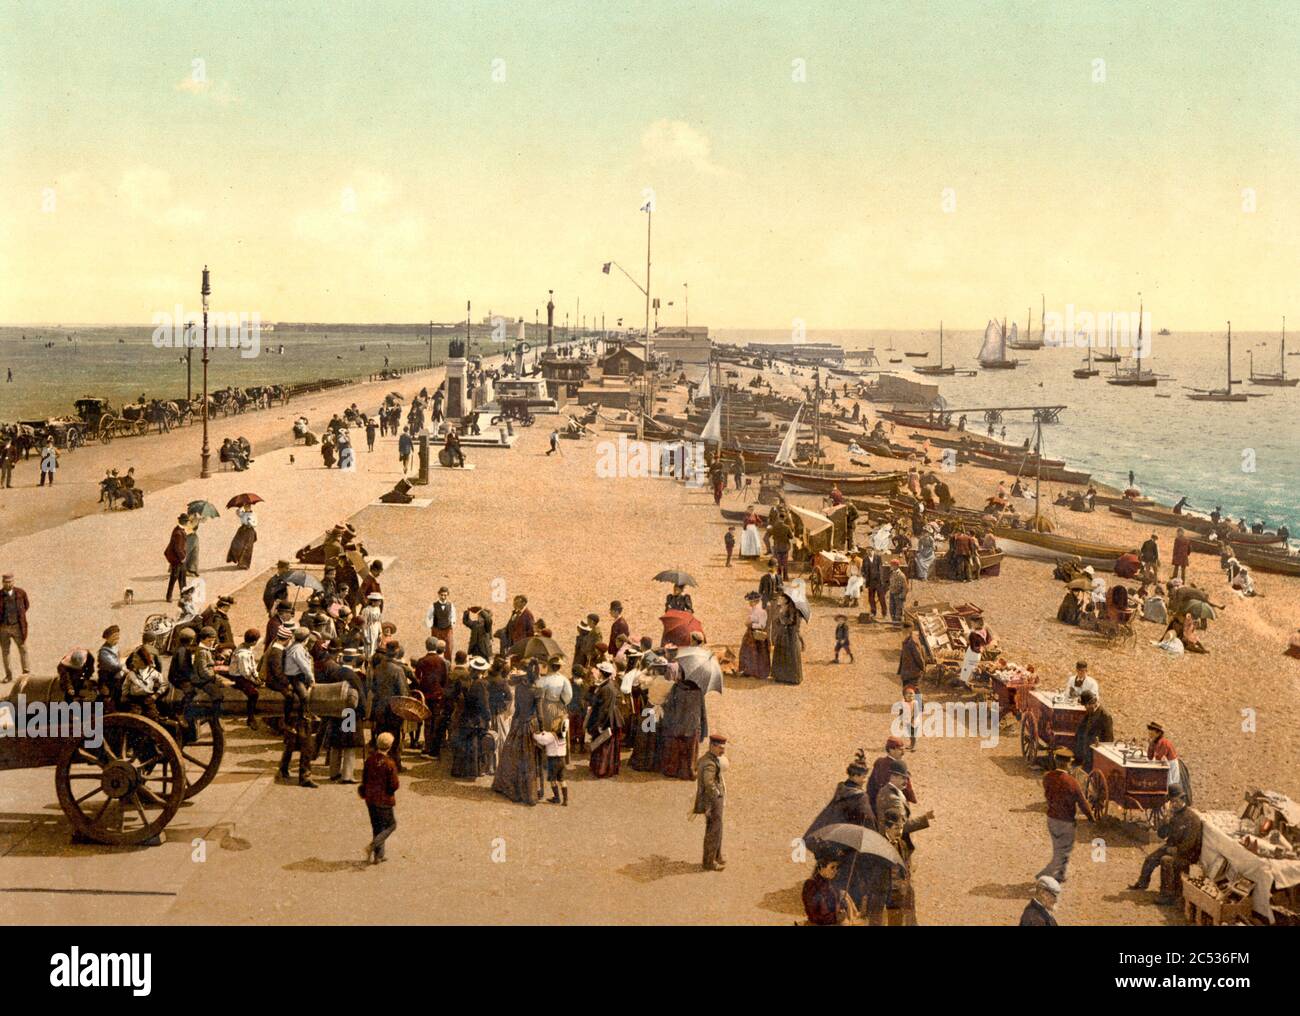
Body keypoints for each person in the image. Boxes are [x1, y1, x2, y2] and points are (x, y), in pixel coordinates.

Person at [1128, 788, 1202, 904]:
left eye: (1176, 801)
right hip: (1171, 847)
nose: (1174, 804)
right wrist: (1165, 822)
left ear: (1183, 800)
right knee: (1150, 859)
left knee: (1166, 860)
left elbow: (1190, 843)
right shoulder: (1174, 815)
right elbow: (1161, 835)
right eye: (1172, 802)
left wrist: (1176, 849)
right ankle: (1142, 883)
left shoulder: (1192, 818)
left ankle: (1167, 895)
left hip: (1186, 854)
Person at [1038, 752, 1096, 885]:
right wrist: (1091, 818)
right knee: (1064, 849)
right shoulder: (1072, 782)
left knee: (1059, 847)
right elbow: (1082, 803)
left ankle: (1061, 874)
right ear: (1069, 763)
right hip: (1066, 821)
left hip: (1051, 818)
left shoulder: (1047, 778)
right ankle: (1047, 875)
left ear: (1056, 761)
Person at [362, 732, 400, 864]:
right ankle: (373, 845)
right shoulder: (390, 763)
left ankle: (379, 856)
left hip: (370, 798)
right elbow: (394, 784)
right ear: (389, 746)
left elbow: (364, 778)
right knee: (391, 825)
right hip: (384, 799)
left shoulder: (370, 760)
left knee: (377, 826)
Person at [693, 734, 727, 871]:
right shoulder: (709, 763)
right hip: (712, 802)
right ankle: (709, 862)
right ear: (712, 746)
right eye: (720, 748)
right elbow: (708, 783)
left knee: (717, 828)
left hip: (712, 801)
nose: (723, 751)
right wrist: (717, 794)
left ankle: (717, 856)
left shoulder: (707, 759)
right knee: (713, 830)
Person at [802, 853, 858, 926]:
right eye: (832, 867)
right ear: (821, 867)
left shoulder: (830, 886)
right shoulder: (811, 885)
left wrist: (840, 905)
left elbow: (833, 909)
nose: (835, 871)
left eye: (836, 868)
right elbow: (814, 916)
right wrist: (835, 917)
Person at [1072, 690, 1112, 773]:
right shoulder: (1090, 712)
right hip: (1086, 753)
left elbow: (1109, 739)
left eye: (1086, 706)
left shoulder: (1105, 716)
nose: (1085, 708)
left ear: (1090, 704)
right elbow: (1081, 729)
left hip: (1096, 753)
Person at [0, 573, 31, 681]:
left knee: (23, 649)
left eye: (10, 582)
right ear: (2, 582)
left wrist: (19, 618)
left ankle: (26, 673)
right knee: (5, 651)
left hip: (17, 626)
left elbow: (26, 605)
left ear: (13, 582)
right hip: (3, 628)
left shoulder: (20, 593)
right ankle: (9, 676)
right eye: (6, 582)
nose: (8, 584)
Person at [533, 715, 570, 804]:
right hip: (562, 760)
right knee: (562, 780)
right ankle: (565, 799)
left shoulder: (551, 736)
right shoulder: (563, 737)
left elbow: (542, 740)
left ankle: (557, 798)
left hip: (553, 761)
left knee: (553, 780)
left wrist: (534, 734)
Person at [769, 591, 804, 685]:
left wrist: (781, 617)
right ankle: (780, 676)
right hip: (782, 634)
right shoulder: (781, 608)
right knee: (781, 654)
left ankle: (791, 678)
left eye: (781, 598)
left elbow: (790, 621)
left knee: (789, 654)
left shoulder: (792, 609)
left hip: (790, 635)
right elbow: (777, 622)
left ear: (786, 600)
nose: (779, 599)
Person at [738, 592, 770, 679]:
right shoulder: (752, 610)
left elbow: (762, 625)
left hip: (757, 635)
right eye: (750, 602)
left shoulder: (762, 612)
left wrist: (752, 624)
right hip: (750, 633)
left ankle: (757, 673)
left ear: (756, 601)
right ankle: (747, 671)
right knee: (746, 651)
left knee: (757, 653)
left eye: (751, 602)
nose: (750, 603)